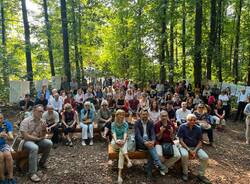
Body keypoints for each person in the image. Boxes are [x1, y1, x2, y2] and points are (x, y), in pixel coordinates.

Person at [20, 105, 53, 182]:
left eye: (42, 111)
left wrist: (44, 130)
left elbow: (42, 136)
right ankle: (32, 173)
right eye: (39, 111)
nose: (41, 113)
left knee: (49, 143)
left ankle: (41, 163)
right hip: (26, 141)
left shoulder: (42, 121)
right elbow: (25, 136)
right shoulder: (26, 121)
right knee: (34, 148)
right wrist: (37, 139)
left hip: (37, 139)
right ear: (34, 111)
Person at [177, 114, 211, 184]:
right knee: (184, 155)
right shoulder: (182, 127)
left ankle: (201, 175)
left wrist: (195, 150)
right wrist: (189, 150)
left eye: (194, 120)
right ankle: (185, 173)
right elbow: (180, 140)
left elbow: (200, 141)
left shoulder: (198, 128)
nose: (192, 122)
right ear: (187, 120)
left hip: (195, 147)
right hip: (184, 146)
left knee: (205, 157)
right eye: (190, 120)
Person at [134, 109, 166, 178]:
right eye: (143, 114)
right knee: (149, 144)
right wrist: (145, 142)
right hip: (140, 143)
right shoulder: (137, 123)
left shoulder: (150, 122)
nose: (145, 116)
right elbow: (138, 135)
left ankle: (150, 169)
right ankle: (158, 165)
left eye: (146, 114)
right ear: (140, 115)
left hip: (149, 143)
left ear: (148, 115)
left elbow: (153, 134)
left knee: (151, 149)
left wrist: (153, 141)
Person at [111, 109, 132, 184]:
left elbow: (125, 133)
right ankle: (128, 160)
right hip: (115, 142)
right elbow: (113, 133)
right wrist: (116, 140)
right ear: (116, 115)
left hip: (123, 141)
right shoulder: (113, 124)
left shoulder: (125, 124)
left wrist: (123, 140)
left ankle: (119, 175)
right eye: (120, 114)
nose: (122, 116)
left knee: (121, 153)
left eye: (123, 114)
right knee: (116, 144)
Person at [0, 114, 16, 184]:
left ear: (3, 118)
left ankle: (10, 177)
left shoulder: (6, 124)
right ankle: (2, 178)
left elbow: (11, 138)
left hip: (3, 144)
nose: (0, 120)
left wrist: (7, 136)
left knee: (8, 155)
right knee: (0, 156)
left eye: (1, 118)